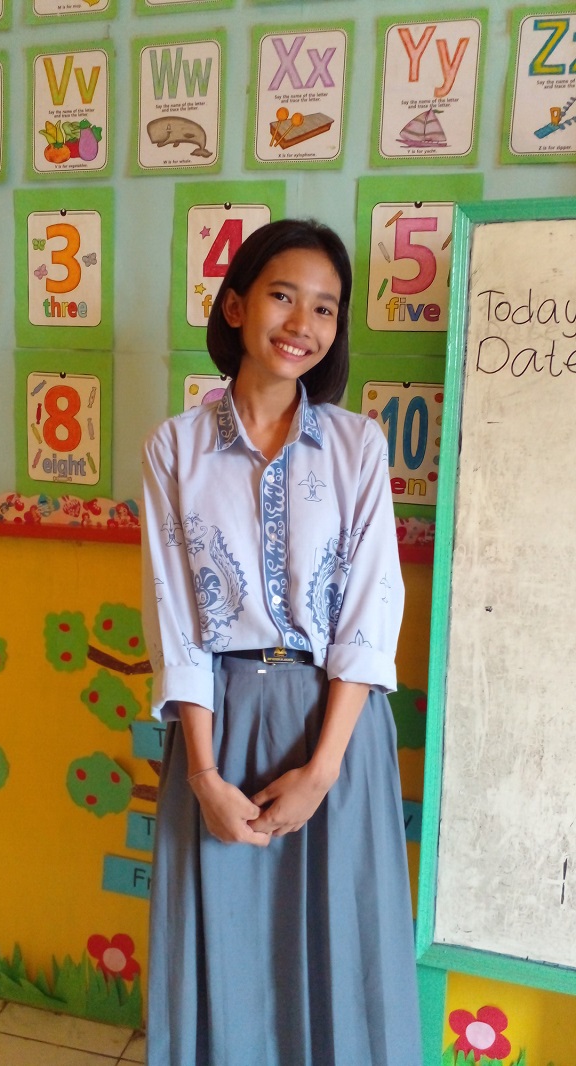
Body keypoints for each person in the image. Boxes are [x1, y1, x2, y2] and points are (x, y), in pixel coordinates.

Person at [141, 218, 422, 1066]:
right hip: (218, 730)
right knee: (223, 958)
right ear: (235, 305)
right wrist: (202, 776)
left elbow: (371, 613)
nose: (303, 323)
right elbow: (174, 618)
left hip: (335, 732)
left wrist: (324, 771)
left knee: (347, 957)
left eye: (327, 309)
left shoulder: (355, 445)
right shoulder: (176, 447)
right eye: (283, 295)